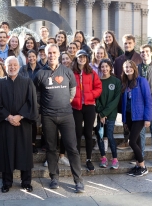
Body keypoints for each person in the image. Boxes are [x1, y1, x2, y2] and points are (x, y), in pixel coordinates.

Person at [33, 44, 84, 193]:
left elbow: (72, 90)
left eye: (54, 52)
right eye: (49, 53)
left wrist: (66, 101)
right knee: (51, 148)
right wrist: (44, 105)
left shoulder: (67, 71)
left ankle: (78, 180)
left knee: (72, 148)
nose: (52, 55)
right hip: (48, 116)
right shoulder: (40, 73)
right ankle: (54, 177)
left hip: (66, 115)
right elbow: (36, 94)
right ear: (46, 54)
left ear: (58, 54)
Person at [0, 56, 38, 193]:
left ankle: (26, 181)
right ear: (5, 67)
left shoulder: (27, 82)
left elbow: (31, 103)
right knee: (6, 151)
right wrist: (8, 117)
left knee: (24, 152)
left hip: (23, 124)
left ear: (19, 66)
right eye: (9, 65)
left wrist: (19, 116)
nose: (12, 67)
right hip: (5, 124)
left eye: (14, 65)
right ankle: (6, 182)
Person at [71, 50, 102, 172]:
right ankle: (77, 159)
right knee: (77, 133)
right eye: (80, 57)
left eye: (84, 57)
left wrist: (90, 95)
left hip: (89, 106)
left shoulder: (92, 73)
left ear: (87, 59)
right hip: (76, 107)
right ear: (76, 58)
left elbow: (99, 88)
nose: (82, 59)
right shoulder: (71, 72)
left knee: (88, 134)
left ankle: (88, 159)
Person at [121, 60, 152, 177]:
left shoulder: (141, 81)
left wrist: (147, 118)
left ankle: (143, 166)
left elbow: (148, 100)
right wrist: (124, 120)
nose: (128, 68)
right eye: (126, 67)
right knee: (138, 141)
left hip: (139, 116)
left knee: (132, 141)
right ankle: (137, 166)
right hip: (129, 116)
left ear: (134, 68)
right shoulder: (125, 83)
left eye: (130, 66)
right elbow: (124, 104)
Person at [114, 34, 142, 150]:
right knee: (125, 119)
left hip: (136, 94)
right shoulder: (118, 60)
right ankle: (126, 140)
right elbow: (116, 76)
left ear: (134, 43)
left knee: (136, 124)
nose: (127, 45)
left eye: (130, 43)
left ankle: (138, 148)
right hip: (123, 94)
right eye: (125, 43)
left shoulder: (140, 58)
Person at [95, 59, 121, 169]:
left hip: (111, 114)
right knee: (100, 136)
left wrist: (105, 113)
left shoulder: (116, 81)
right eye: (102, 67)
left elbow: (116, 100)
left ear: (110, 67)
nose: (104, 69)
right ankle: (103, 158)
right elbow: (96, 98)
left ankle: (115, 158)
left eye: (106, 66)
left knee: (109, 135)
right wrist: (101, 113)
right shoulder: (97, 81)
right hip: (100, 114)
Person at [19, 50, 41, 154]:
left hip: (37, 98)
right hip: (25, 97)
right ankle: (25, 143)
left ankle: (32, 143)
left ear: (36, 57)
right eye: (29, 56)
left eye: (33, 56)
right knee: (25, 121)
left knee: (34, 122)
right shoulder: (23, 69)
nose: (31, 58)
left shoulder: (41, 68)